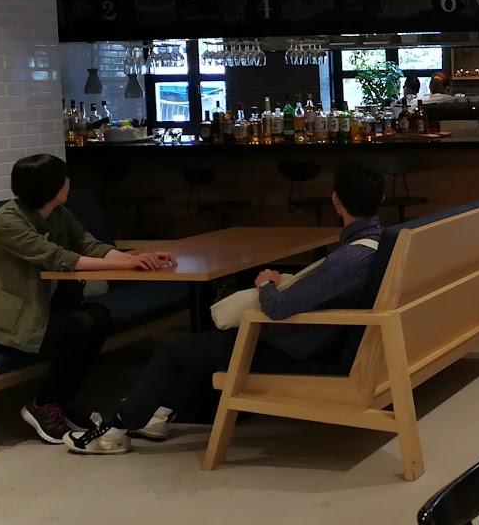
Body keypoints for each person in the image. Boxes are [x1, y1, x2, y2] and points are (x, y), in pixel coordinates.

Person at [65, 159, 387, 455]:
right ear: (380, 199)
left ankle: (115, 431)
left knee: (175, 351)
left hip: (298, 349)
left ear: (335, 200)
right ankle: (155, 414)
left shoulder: (351, 258)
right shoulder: (379, 244)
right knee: (198, 349)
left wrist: (266, 283)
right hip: (324, 342)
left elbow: (278, 308)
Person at [0, 154, 174, 444]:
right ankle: (43, 404)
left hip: (39, 314)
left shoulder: (58, 213)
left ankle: (62, 399)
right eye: (64, 178)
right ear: (49, 186)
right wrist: (127, 263)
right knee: (81, 326)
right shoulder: (8, 220)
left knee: (98, 316)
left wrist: (134, 259)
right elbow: (59, 257)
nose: (69, 183)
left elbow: (88, 243)